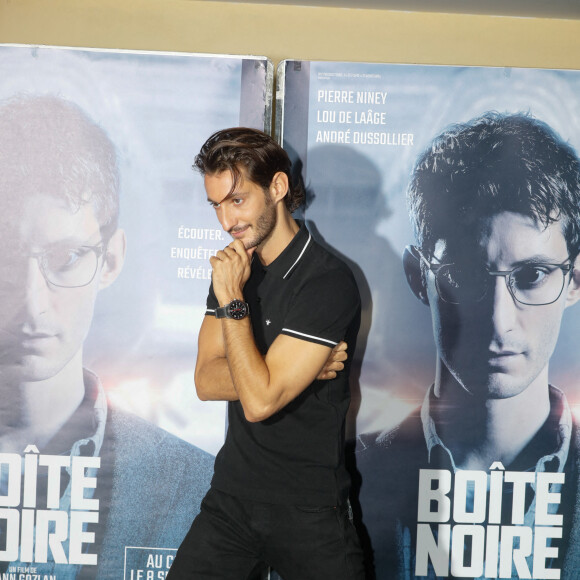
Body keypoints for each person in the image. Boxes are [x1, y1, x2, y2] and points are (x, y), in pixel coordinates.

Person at [356, 112, 580, 579]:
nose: (499, 319)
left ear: (575, 279)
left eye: (532, 275)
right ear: (419, 277)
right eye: (464, 276)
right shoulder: (350, 476)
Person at [0, 95, 214, 578]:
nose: (33, 301)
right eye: (6, 259)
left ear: (111, 261)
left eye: (68, 257)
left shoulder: (194, 487)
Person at [168, 127, 365, 580]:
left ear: (277, 187)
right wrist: (289, 371)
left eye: (237, 200)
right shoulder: (233, 269)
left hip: (309, 507)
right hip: (232, 500)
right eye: (217, 204)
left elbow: (258, 403)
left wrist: (233, 304)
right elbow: (204, 381)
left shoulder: (326, 280)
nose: (226, 222)